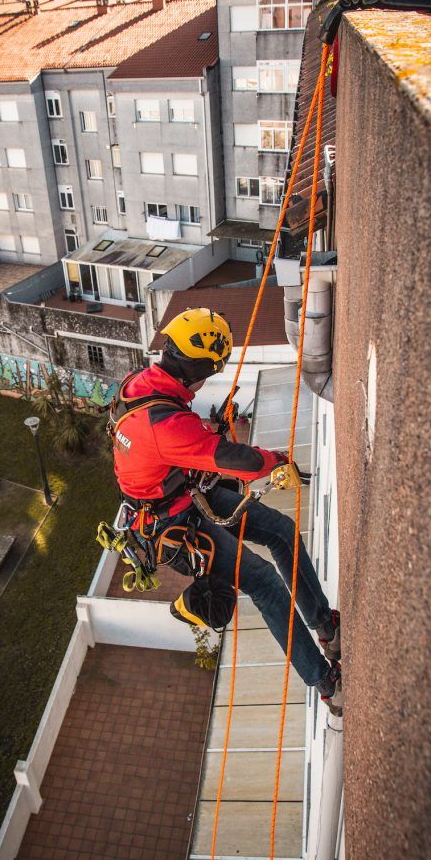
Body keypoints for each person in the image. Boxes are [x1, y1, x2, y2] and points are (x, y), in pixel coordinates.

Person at [110, 307, 343, 716]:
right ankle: (324, 683)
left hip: (183, 493)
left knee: (281, 531)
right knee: (264, 582)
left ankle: (323, 623)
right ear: (195, 369)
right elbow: (234, 459)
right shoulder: (164, 423)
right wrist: (274, 460)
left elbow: (185, 450)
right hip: (173, 522)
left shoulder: (143, 384)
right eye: (209, 374)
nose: (206, 384)